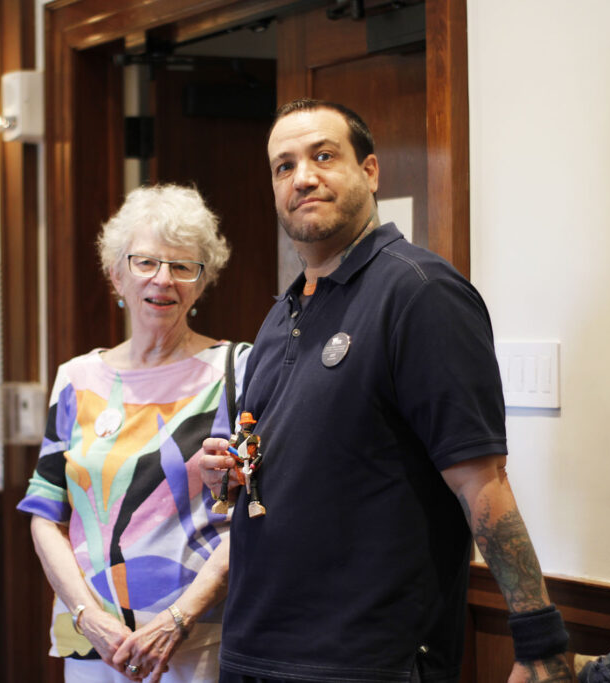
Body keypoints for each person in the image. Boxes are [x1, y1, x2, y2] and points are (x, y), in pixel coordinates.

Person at [200, 99, 574, 683]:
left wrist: (539, 640)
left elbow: (482, 480)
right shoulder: (281, 314)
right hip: (254, 652)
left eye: (324, 156)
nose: (303, 177)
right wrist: (228, 473)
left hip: (367, 662)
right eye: (284, 166)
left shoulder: (421, 293)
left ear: (370, 171)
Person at [19, 184, 250, 683]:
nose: (163, 280)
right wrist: (89, 618)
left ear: (202, 281)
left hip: (195, 647)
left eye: (183, 266)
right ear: (115, 274)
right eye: (145, 262)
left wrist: (178, 619)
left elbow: (257, 511)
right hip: (92, 649)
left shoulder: (238, 371)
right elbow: (45, 515)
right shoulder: (76, 379)